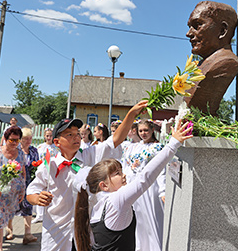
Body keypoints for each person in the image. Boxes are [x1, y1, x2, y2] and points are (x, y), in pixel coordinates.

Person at [27, 100, 147, 251]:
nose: (76, 137)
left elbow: (115, 140)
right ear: (57, 142)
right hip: (56, 232)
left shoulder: (90, 155)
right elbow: (30, 192)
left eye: (77, 133)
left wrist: (131, 114)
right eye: (69, 134)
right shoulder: (48, 166)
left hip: (85, 230)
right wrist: (38, 198)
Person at [74, 121, 193, 251]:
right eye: (117, 174)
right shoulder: (116, 201)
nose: (124, 175)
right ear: (104, 185)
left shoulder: (97, 204)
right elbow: (145, 177)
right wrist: (172, 145)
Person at [184, 1, 238, 115]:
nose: (188, 33)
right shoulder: (201, 65)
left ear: (222, 30)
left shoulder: (225, 63)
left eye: (197, 25)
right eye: (190, 27)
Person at [121, 119, 166, 251]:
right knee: (137, 222)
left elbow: (161, 170)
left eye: (146, 130)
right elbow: (126, 166)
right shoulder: (132, 146)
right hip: (133, 188)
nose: (143, 133)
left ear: (152, 130)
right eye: (140, 130)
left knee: (151, 221)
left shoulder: (157, 147)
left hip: (149, 189)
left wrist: (162, 191)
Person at [0, 126, 26, 251]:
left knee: (5, 218)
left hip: (11, 194)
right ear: (5, 139)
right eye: (12, 140)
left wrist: (22, 190)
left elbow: (23, 173)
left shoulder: (20, 154)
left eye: (17, 140)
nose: (14, 143)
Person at [7, 128, 39, 245]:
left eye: (30, 138)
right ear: (21, 140)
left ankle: (28, 233)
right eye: (26, 138)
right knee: (12, 205)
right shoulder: (15, 150)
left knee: (28, 206)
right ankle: (9, 229)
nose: (28, 141)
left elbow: (37, 164)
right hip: (15, 182)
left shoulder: (34, 150)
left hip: (29, 182)